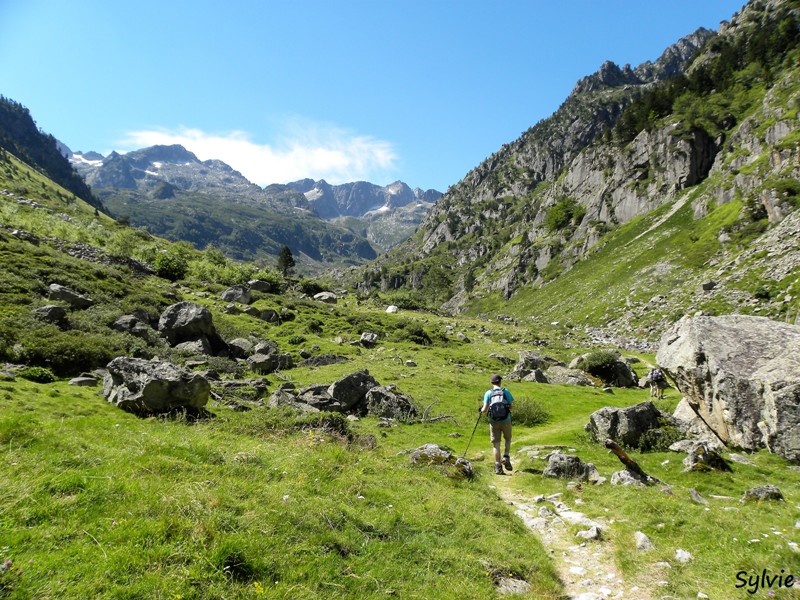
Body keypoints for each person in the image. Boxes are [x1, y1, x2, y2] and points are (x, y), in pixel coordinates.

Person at [480, 374, 514, 475]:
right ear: (500, 382)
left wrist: (481, 409)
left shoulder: (488, 393)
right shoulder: (505, 391)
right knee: (508, 439)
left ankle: (498, 466)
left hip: (493, 421)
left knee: (496, 444)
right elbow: (511, 407)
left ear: (492, 383)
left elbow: (484, 410)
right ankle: (506, 456)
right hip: (506, 420)